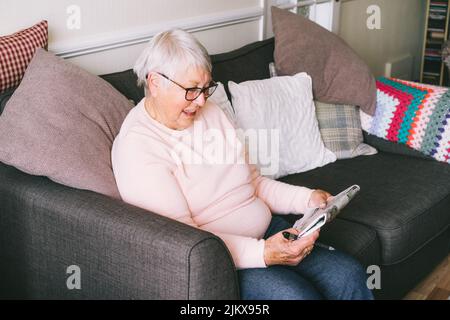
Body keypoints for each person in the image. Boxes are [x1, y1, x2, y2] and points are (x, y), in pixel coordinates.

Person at [111, 29, 373, 300]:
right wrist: (263, 253)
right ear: (155, 83)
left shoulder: (209, 112)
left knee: (349, 275)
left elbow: (254, 182)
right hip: (224, 258)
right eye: (191, 90)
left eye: (205, 88)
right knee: (295, 297)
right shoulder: (138, 147)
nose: (201, 100)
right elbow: (187, 243)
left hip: (270, 231)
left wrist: (307, 200)